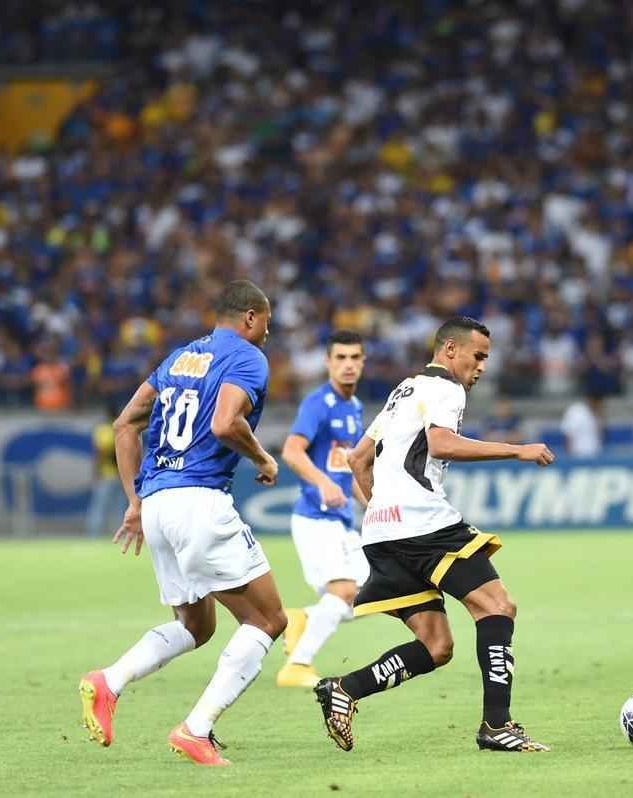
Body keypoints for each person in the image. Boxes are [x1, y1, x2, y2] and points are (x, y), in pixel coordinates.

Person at [314, 316, 556, 754]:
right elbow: (442, 444)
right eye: (477, 355)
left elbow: (358, 459)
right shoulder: (446, 389)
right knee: (497, 606)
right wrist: (517, 449)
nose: (481, 366)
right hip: (422, 524)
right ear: (449, 350)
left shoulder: (403, 390)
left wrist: (381, 511)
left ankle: (345, 688)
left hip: (383, 532)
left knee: (436, 644)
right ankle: (497, 726)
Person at [76, 279, 287, 767]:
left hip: (159, 502)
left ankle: (109, 681)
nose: (268, 333)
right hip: (200, 502)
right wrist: (262, 458)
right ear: (251, 317)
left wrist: (134, 501)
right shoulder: (248, 358)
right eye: (267, 323)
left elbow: (124, 423)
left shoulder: (179, 359)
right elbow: (224, 423)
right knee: (269, 619)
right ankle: (197, 729)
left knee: (197, 624)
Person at [274, 330, 370, 688]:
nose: (347, 365)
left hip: (343, 523)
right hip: (315, 519)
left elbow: (351, 470)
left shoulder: (355, 408)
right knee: (343, 590)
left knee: (373, 593)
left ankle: (301, 618)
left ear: (363, 363)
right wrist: (324, 483)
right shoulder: (318, 403)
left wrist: (374, 508)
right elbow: (292, 451)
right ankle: (297, 665)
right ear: (328, 362)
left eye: (354, 358)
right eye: (340, 358)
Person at [85, 402, 128, 538]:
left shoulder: (103, 430)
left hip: (107, 474)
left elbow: (99, 453)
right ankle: (120, 537)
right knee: (120, 508)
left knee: (100, 507)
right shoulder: (123, 428)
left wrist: (96, 472)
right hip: (122, 474)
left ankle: (94, 536)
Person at [561, 392, 602, 457]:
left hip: (593, 455)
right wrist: (568, 453)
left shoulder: (595, 415)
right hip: (578, 454)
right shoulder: (577, 411)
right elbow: (568, 432)